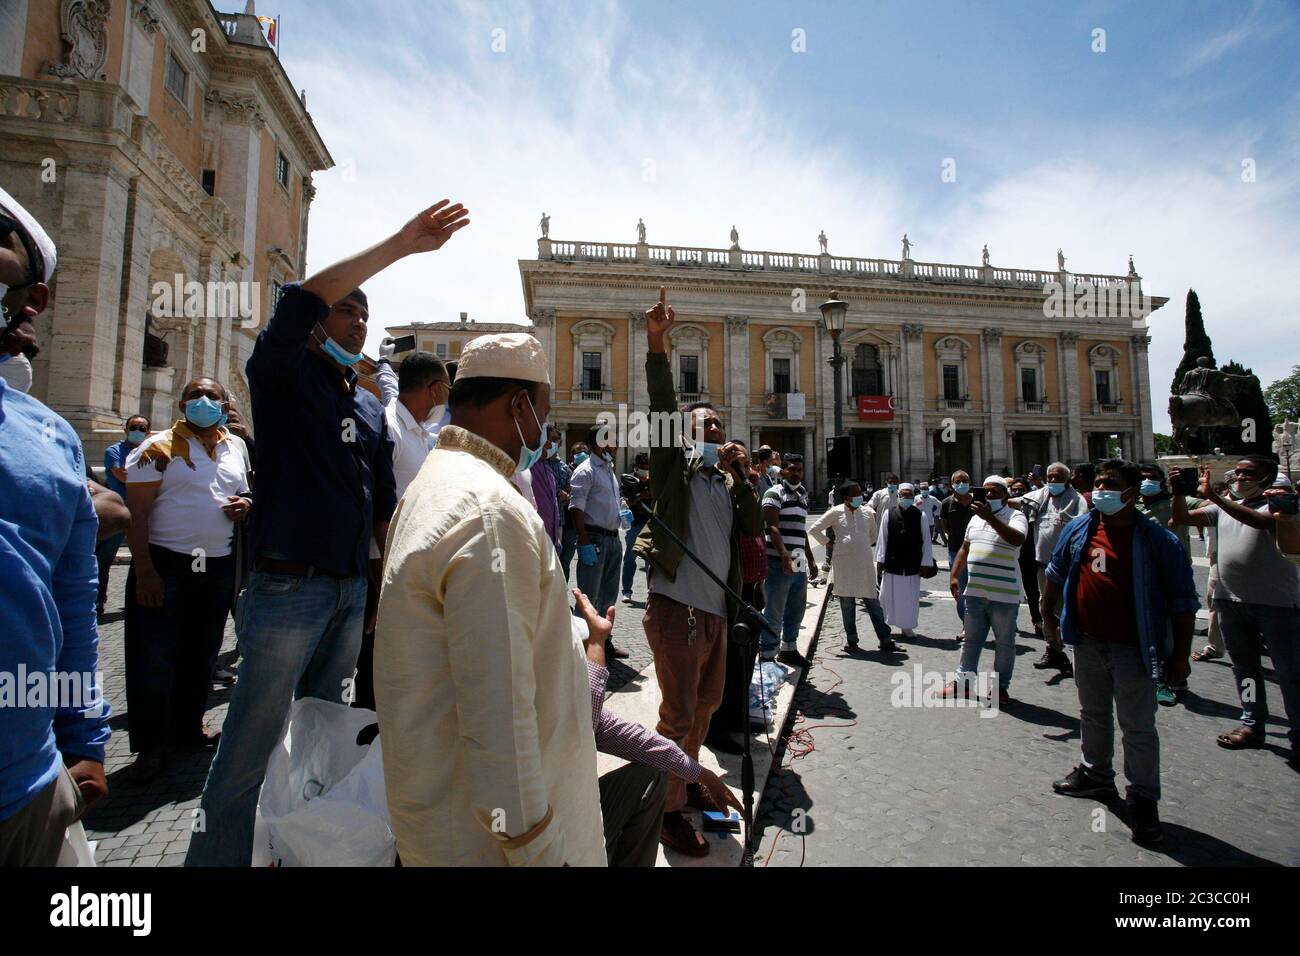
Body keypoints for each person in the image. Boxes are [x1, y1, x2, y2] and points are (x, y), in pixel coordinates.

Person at [186, 200, 465, 866]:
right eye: (347, 308)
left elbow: (382, 508)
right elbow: (300, 298)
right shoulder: (281, 376)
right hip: (287, 592)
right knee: (249, 750)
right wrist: (400, 242)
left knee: (323, 741)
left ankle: (299, 852)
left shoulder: (369, 404)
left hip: (347, 597)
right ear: (318, 323)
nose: (358, 318)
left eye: (365, 312)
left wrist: (384, 593)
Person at [374, 330, 607, 865]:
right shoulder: (487, 509)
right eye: (543, 414)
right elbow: (498, 714)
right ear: (520, 404)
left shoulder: (434, 481)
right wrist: (538, 849)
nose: (543, 431)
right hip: (490, 844)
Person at [0, 186, 111, 865]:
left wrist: (84, 739)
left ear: (30, 299)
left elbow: (70, 601)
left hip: (24, 794)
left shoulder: (51, 440)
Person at [635, 287, 763, 857]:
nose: (714, 431)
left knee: (705, 712)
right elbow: (662, 405)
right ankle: (661, 813)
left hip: (716, 613)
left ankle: (682, 787)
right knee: (678, 715)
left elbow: (753, 529)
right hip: (677, 608)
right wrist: (657, 342)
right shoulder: (675, 470)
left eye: (718, 427)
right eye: (704, 425)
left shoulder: (725, 481)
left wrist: (743, 476)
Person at [1042, 459, 1197, 847]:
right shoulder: (1080, 527)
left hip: (1135, 646)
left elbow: (1183, 602)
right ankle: (1096, 775)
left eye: (1109, 484)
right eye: (1097, 483)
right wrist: (1047, 612)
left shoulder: (1159, 541)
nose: (1100, 490)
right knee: (1091, 713)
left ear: (1131, 491)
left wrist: (1180, 656)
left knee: (1138, 726)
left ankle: (1143, 798)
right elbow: (1057, 571)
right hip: (1087, 640)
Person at [121, 377, 251, 783]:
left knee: (202, 652)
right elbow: (137, 516)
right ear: (181, 403)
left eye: (212, 396)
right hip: (166, 564)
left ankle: (188, 728)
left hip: (216, 566)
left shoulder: (236, 445)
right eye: (195, 395)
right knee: (154, 657)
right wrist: (144, 571)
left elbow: (245, 492)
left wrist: (245, 504)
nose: (204, 401)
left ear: (225, 404)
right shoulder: (155, 447)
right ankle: (151, 746)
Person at [1170, 458, 1300, 759]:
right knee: (1246, 669)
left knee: (1291, 673)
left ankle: (1298, 732)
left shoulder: (1280, 508)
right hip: (1231, 600)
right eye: (1238, 472)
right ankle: (1252, 722)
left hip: (1277, 603)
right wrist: (1178, 491)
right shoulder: (1222, 507)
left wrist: (1214, 496)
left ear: (1267, 477)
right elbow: (1183, 519)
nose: (1240, 476)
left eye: (1248, 473)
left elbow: (1259, 522)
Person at [357, 349, 450, 711]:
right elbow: (377, 507)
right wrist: (382, 581)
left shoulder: (416, 431)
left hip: (407, 569)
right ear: (435, 387)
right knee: (374, 672)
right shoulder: (391, 428)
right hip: (384, 571)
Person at [706, 442, 769, 752]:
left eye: (743, 458)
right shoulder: (722, 487)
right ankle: (715, 726)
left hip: (753, 588)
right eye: (734, 458)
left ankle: (736, 715)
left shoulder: (748, 485)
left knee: (745, 659)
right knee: (726, 661)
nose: (740, 462)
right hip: (731, 587)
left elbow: (759, 527)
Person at [943, 476, 1028, 706]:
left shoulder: (1016, 516)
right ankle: (963, 682)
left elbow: (1017, 539)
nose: (989, 495)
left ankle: (1000, 688)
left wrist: (989, 517)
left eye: (995, 492)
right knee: (971, 639)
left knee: (1004, 642)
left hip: (1004, 593)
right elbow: (965, 547)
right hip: (976, 591)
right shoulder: (975, 520)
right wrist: (954, 574)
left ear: (1006, 494)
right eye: (986, 491)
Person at [810, 481, 898, 653]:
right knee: (847, 603)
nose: (860, 496)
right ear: (846, 498)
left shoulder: (867, 513)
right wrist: (829, 543)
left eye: (860, 492)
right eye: (856, 493)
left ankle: (885, 639)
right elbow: (814, 529)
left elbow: (872, 536)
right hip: (843, 563)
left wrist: (858, 545)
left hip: (864, 562)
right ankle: (852, 641)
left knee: (873, 602)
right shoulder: (835, 512)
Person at [570, 426, 629, 659]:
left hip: (613, 540)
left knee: (608, 595)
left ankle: (604, 643)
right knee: (588, 596)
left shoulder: (608, 470)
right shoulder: (586, 471)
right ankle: (580, 647)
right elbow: (576, 508)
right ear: (598, 443)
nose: (615, 446)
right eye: (611, 441)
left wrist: (622, 512)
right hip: (594, 538)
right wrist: (583, 542)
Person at [1024, 461, 1086, 676]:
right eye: (1050, 477)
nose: (1053, 480)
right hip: (1044, 565)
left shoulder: (1077, 500)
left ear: (1067, 479)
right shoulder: (1040, 496)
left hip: (1069, 566)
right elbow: (1016, 500)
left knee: (1072, 609)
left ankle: (1081, 654)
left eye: (1057, 477)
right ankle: (1054, 649)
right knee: (1046, 608)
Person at [761, 453, 816, 667]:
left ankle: (789, 648)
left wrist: (810, 559)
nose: (796, 473)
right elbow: (771, 526)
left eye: (799, 470)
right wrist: (784, 555)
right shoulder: (774, 493)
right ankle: (767, 652)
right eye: (791, 469)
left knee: (796, 607)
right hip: (778, 560)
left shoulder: (803, 494)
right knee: (774, 608)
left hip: (799, 560)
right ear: (782, 470)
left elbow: (801, 530)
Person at [95, 415, 151, 617]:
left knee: (144, 557)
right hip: (119, 512)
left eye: (142, 428)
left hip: (143, 512)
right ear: (126, 429)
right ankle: (98, 600)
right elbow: (122, 475)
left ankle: (141, 598)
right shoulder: (114, 451)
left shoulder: (150, 451)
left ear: (148, 432)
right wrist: (150, 476)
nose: (138, 430)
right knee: (104, 557)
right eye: (134, 427)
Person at [876, 483, 937, 639]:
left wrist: (925, 563)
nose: (906, 497)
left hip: (912, 564)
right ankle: (885, 627)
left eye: (909, 495)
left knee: (909, 598)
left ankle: (907, 627)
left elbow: (926, 541)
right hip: (892, 562)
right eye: (903, 494)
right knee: (887, 597)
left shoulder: (920, 515)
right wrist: (880, 560)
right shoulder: (889, 514)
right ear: (898, 496)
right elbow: (882, 538)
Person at [939, 470, 976, 642]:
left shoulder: (979, 501)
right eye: (958, 481)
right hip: (956, 550)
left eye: (965, 480)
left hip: (978, 551)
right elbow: (945, 526)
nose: (961, 484)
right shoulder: (946, 503)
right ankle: (966, 626)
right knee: (959, 589)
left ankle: (979, 622)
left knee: (978, 588)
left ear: (970, 482)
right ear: (952, 484)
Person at [1008, 477, 1043, 639]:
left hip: (1029, 554)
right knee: (1011, 590)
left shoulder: (1034, 508)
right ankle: (1010, 621)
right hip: (1010, 554)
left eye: (1021, 490)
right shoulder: (1006, 510)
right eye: (1014, 489)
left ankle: (1037, 620)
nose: (1017, 492)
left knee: (1032, 590)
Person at [559, 441, 590, 579]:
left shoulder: (591, 471)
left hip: (587, 521)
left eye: (584, 451)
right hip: (569, 521)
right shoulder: (566, 470)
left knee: (586, 561)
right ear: (572, 456)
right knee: (565, 557)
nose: (582, 454)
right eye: (578, 452)